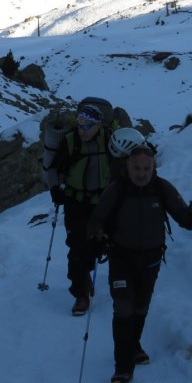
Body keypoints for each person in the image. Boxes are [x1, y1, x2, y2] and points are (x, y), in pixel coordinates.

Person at [87, 138, 192, 383]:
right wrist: (95, 239)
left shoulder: (162, 188)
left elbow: (182, 214)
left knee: (140, 308)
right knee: (123, 308)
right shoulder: (115, 190)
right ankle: (123, 366)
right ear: (128, 167)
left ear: (153, 168)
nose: (141, 173)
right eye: (137, 168)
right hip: (121, 259)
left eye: (146, 169)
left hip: (150, 261)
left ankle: (134, 344)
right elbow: (96, 220)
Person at [42, 97, 117, 316]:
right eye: (80, 123)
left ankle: (88, 276)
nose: (83, 129)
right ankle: (81, 294)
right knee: (77, 247)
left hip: (102, 201)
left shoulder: (109, 140)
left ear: (98, 125)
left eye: (88, 125)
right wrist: (55, 189)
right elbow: (53, 168)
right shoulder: (70, 141)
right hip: (75, 201)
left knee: (100, 245)